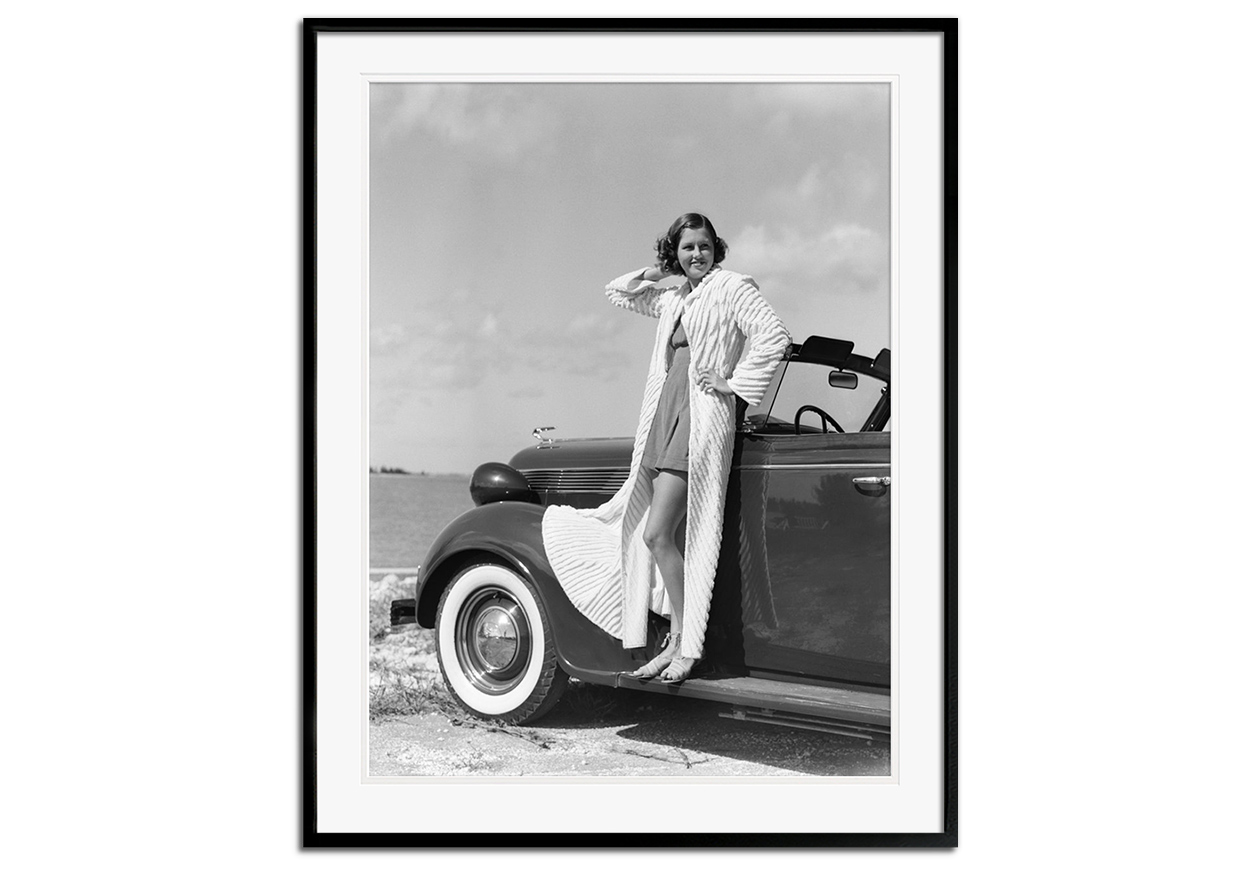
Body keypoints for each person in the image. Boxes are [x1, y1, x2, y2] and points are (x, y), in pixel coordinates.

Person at [541, 213, 790, 683]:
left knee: (656, 534)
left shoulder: (732, 287)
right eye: (687, 247)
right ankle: (674, 638)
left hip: (700, 420)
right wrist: (660, 271)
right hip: (664, 415)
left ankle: (685, 643)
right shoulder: (676, 295)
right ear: (674, 252)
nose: (697, 255)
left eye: (704, 246)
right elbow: (618, 291)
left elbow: (773, 335)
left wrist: (733, 385)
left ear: (717, 248)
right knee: (662, 536)